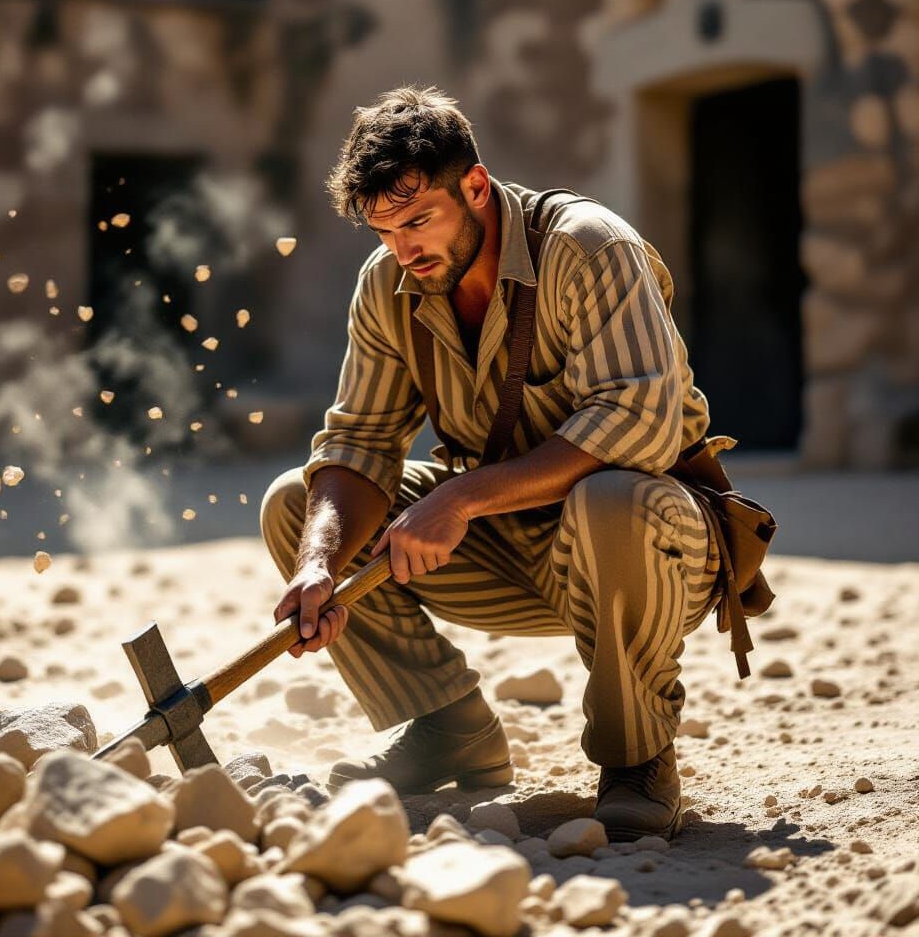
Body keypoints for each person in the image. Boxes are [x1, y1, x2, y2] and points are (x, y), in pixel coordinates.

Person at [259, 85, 721, 841]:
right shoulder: (388, 286)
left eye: (419, 221)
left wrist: (463, 497)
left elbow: (639, 420)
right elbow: (360, 441)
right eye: (385, 232)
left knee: (612, 499)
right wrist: (319, 563)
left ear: (474, 187)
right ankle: (450, 728)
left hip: (643, 548)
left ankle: (637, 759)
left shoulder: (589, 248)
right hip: (502, 547)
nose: (405, 250)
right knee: (297, 507)